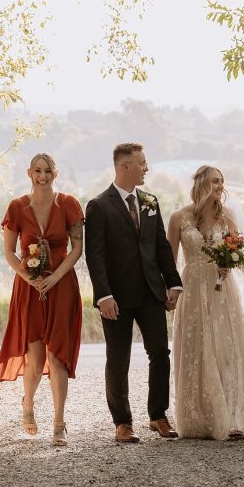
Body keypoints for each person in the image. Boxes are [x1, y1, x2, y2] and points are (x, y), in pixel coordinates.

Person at [168, 165, 244, 440]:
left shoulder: (227, 216)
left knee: (226, 350)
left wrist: (229, 265)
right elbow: (169, 263)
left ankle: (232, 417)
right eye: (214, 181)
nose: (219, 186)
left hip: (222, 290)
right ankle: (198, 418)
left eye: (221, 181)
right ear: (201, 183)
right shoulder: (178, 217)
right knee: (196, 348)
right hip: (193, 288)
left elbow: (240, 252)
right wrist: (170, 291)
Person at [84, 143, 183, 443]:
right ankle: (122, 423)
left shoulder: (151, 201)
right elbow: (95, 255)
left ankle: (158, 416)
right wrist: (103, 296)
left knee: (160, 355)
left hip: (152, 293)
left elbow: (162, 247)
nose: (147, 168)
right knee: (118, 358)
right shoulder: (98, 206)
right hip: (116, 298)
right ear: (125, 166)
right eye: (142, 163)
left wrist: (174, 283)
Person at [0, 153, 84, 447]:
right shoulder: (17, 207)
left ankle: (59, 423)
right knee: (35, 360)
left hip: (62, 286)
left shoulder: (69, 204)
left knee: (58, 356)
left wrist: (55, 277)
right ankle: (28, 406)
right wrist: (31, 279)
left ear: (55, 173)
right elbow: (9, 252)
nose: (42, 176)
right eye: (37, 171)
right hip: (29, 289)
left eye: (47, 171)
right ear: (29, 172)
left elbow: (77, 248)